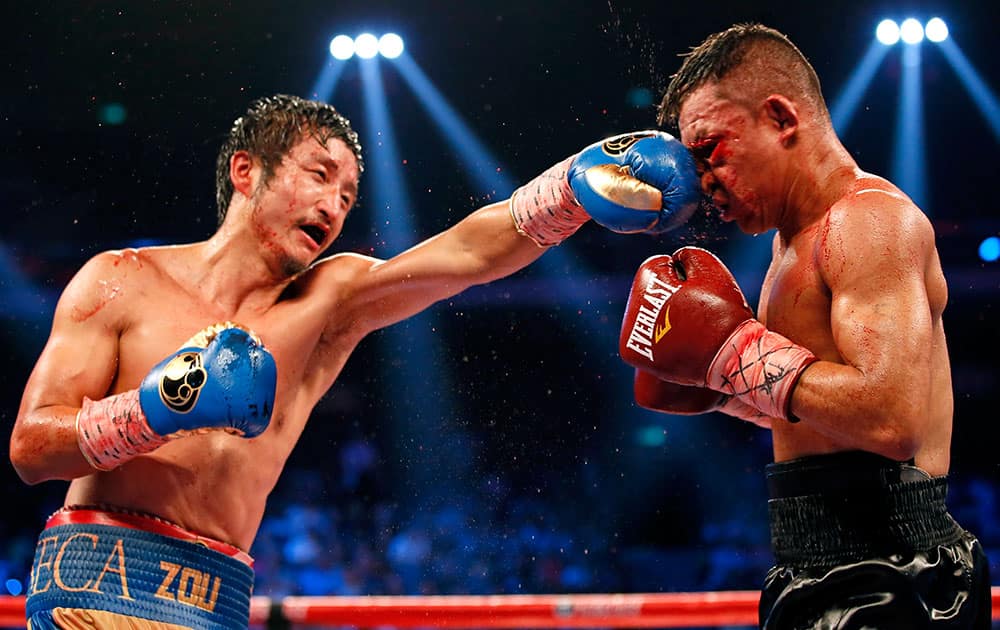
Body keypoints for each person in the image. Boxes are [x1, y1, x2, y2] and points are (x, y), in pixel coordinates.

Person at [11, 93, 701, 628]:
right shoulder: (122, 280)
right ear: (246, 171)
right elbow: (30, 448)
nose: (333, 206)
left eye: (346, 195)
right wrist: (156, 409)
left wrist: (567, 192)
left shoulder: (328, 301)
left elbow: (461, 257)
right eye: (318, 176)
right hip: (91, 587)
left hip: (212, 599)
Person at [617, 23, 992, 629]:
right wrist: (724, 392)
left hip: (891, 569)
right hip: (814, 557)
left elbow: (891, 419)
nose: (701, 182)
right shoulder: (790, 246)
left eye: (712, 148)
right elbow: (818, 411)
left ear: (781, 118)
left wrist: (733, 352)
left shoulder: (867, 222)